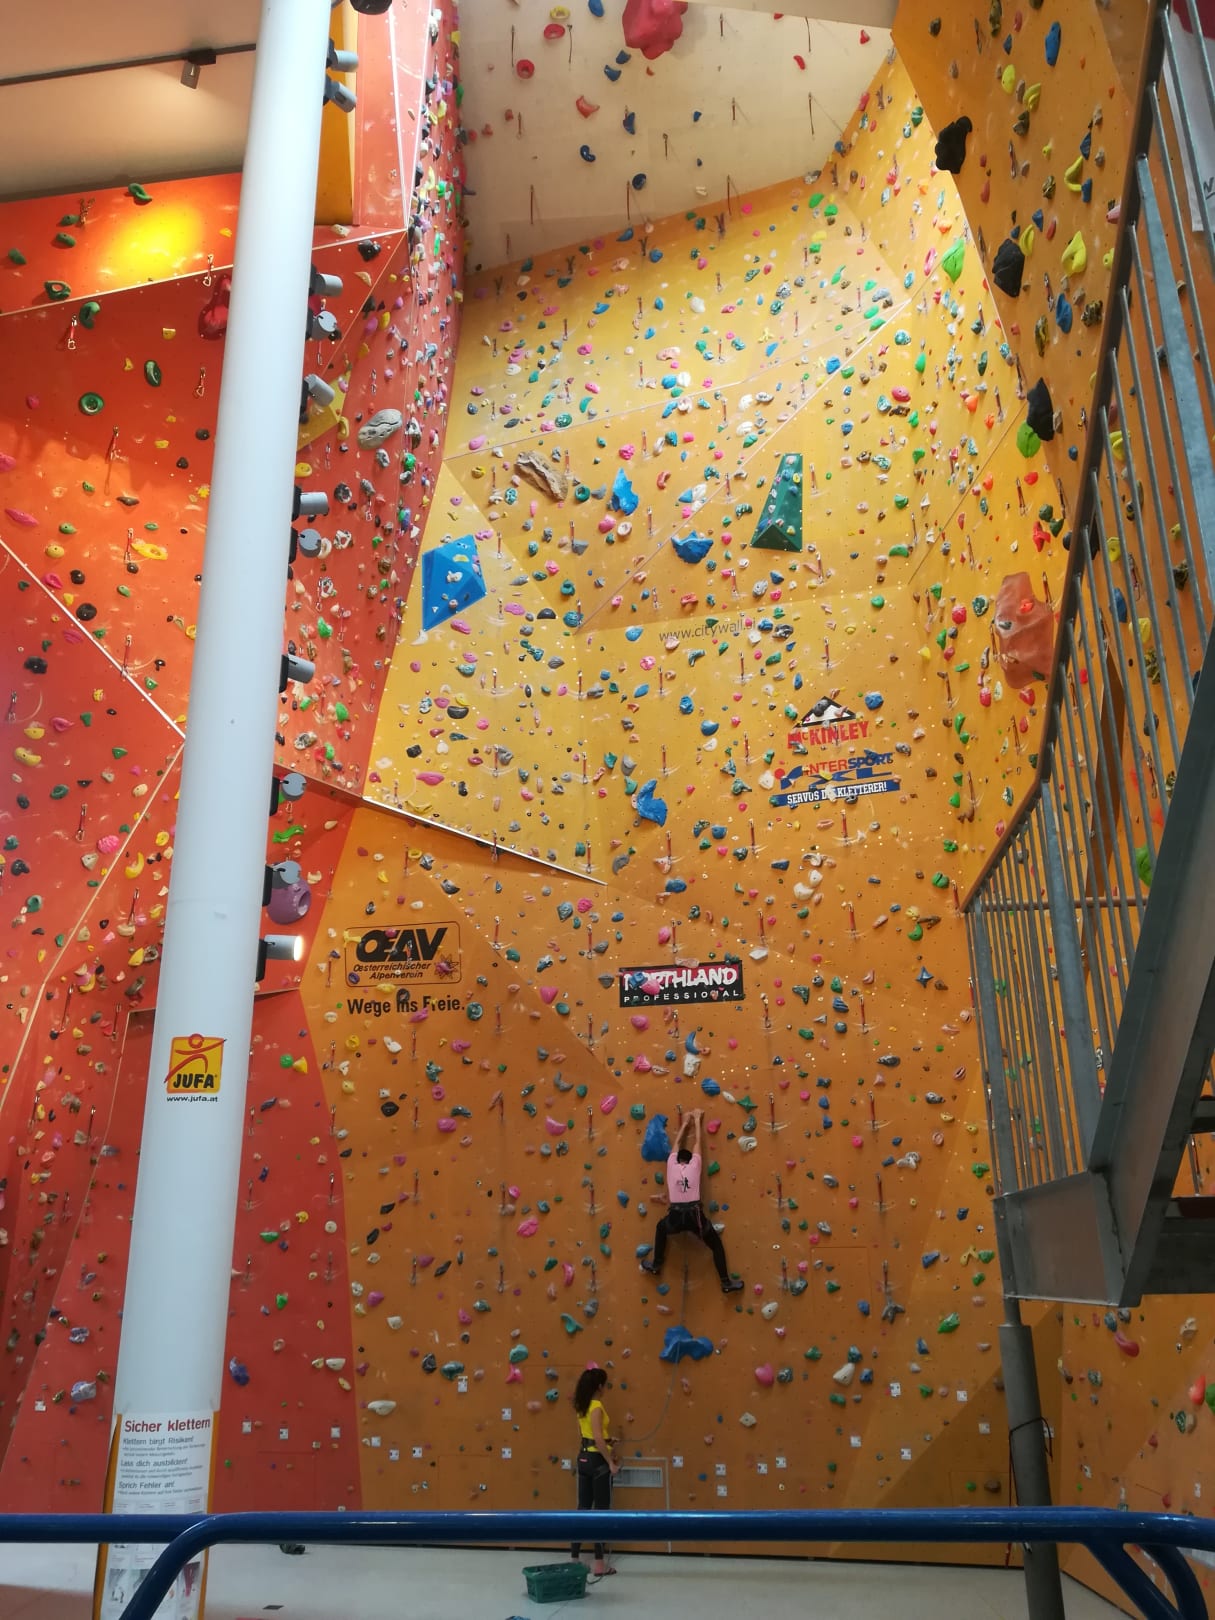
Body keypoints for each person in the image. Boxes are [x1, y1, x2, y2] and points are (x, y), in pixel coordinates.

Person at [642, 1109, 744, 1292]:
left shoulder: (671, 1164)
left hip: (675, 1216)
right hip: (694, 1216)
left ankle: (656, 1265)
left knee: (661, 1228)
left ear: (677, 1159)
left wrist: (685, 1123)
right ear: (690, 1161)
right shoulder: (695, 1165)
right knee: (716, 1245)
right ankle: (726, 1283)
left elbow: (677, 1142)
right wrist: (697, 1120)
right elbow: (698, 1142)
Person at [570, 1365, 618, 1576]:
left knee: (582, 1508)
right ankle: (599, 1564)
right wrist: (611, 1463)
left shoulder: (582, 1406)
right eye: (604, 1385)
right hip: (598, 1462)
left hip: (583, 1459)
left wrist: (607, 1440)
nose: (605, 1388)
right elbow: (597, 1439)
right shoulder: (597, 1405)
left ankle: (574, 1558)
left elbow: (589, 1436)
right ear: (599, 1386)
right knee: (601, 1512)